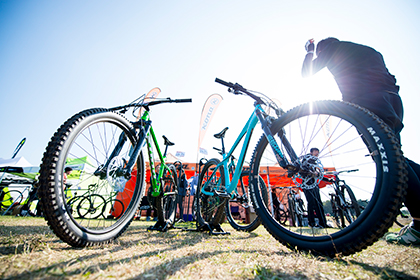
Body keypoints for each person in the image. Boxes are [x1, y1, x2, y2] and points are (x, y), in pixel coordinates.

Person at [302, 38, 420, 245]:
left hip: (367, 100)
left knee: (390, 163)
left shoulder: (332, 49)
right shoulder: (367, 50)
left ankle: (419, 223)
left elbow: (307, 72)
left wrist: (310, 52)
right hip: (392, 99)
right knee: (395, 157)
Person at [302, 148, 328, 228]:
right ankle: (311, 223)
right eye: (315, 153)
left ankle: (323, 223)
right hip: (307, 184)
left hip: (314, 184)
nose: (317, 155)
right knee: (311, 203)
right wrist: (312, 173)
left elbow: (318, 174)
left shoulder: (315, 162)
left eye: (317, 154)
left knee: (319, 203)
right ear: (311, 152)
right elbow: (303, 170)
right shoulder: (306, 160)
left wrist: (327, 179)